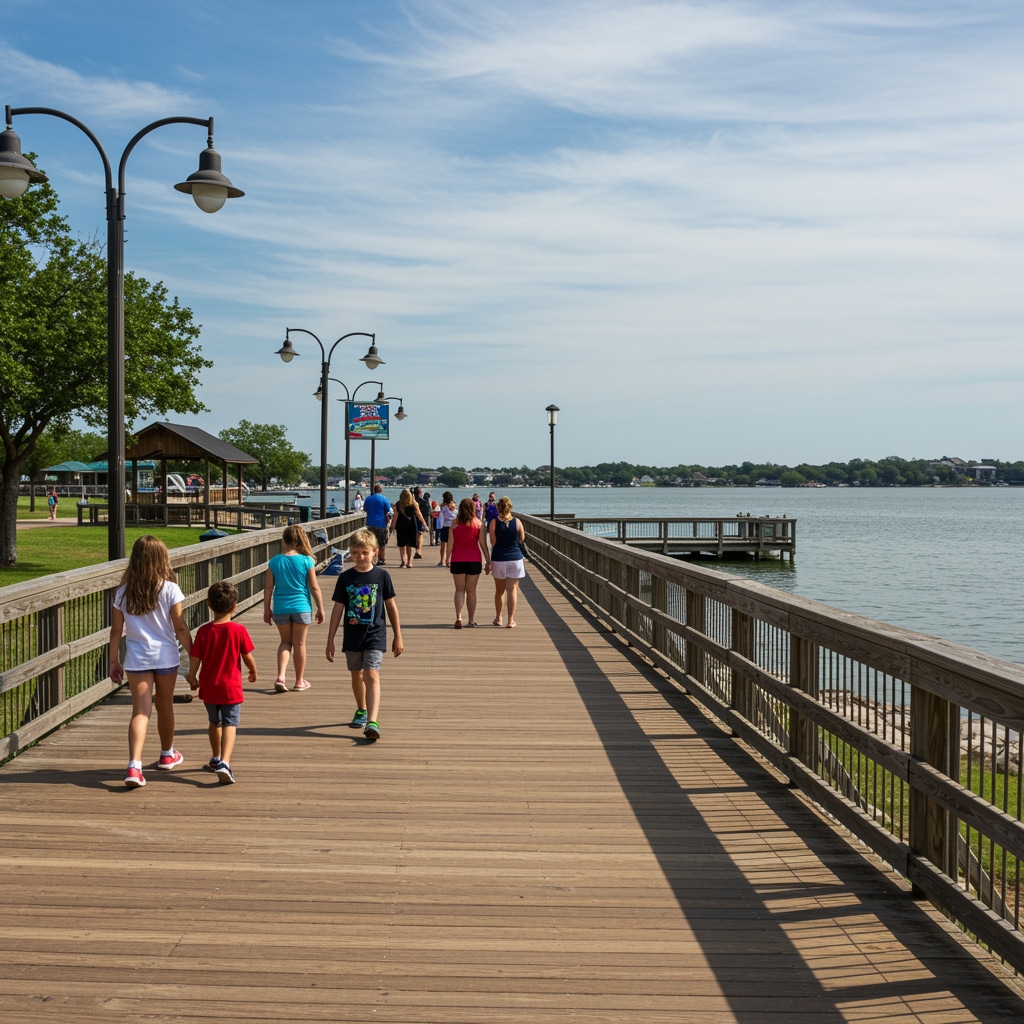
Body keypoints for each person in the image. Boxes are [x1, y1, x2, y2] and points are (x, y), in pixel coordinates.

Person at [108, 535, 193, 788]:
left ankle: (134, 766)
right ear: (161, 559)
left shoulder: (122, 592)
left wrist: (114, 660)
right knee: (165, 707)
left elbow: (115, 631)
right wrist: (195, 653)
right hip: (166, 656)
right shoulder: (169, 589)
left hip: (137, 659)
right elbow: (180, 628)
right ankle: (167, 754)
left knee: (140, 711)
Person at [326, 527, 403, 742]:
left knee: (371, 674)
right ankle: (361, 709)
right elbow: (338, 608)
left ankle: (372, 721)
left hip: (376, 633)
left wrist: (398, 635)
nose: (360, 557)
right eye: (356, 552)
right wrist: (330, 639)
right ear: (350, 552)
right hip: (352, 634)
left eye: (365, 552)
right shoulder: (345, 578)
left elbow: (391, 606)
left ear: (374, 552)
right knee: (356, 674)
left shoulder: (382, 576)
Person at [186, 580, 257, 785]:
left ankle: (216, 757)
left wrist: (192, 677)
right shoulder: (238, 630)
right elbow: (247, 656)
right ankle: (225, 762)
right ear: (234, 607)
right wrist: (253, 670)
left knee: (214, 722)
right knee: (230, 723)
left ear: (209, 605)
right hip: (231, 688)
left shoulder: (203, 631)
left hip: (209, 687)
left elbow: (195, 659)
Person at [263, 524, 325, 692]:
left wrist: (267, 609)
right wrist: (320, 608)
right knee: (299, 643)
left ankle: (281, 677)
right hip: (301, 607)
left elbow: (268, 588)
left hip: (281, 608)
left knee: (285, 642)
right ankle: (299, 681)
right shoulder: (307, 561)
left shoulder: (274, 561)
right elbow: (314, 587)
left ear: (284, 540)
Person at [449, 497, 489, 628]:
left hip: (457, 559)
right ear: (473, 509)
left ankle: (459, 617)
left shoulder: (454, 524)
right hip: (474, 559)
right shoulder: (478, 524)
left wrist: (445, 558)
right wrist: (488, 561)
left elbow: (450, 544)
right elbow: (483, 544)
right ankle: (471, 619)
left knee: (459, 590)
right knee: (471, 591)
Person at [489, 496, 527, 628]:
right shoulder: (517, 522)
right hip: (515, 559)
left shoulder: (494, 522)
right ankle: (510, 621)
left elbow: (493, 542)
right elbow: (522, 538)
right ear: (510, 508)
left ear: (498, 508)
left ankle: (499, 618)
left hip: (499, 558)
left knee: (499, 591)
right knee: (512, 590)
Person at [394, 488, 428, 568]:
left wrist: (392, 527)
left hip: (401, 525)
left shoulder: (398, 504)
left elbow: (395, 516)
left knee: (402, 545)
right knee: (410, 545)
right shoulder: (413, 504)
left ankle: (403, 561)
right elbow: (419, 515)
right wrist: (425, 525)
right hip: (411, 526)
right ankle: (409, 562)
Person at [362, 483, 392, 565]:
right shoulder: (384, 499)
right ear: (381, 490)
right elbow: (387, 510)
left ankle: (371, 559)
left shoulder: (368, 499)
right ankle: (381, 559)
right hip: (381, 523)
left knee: (371, 543)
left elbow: (365, 509)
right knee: (381, 543)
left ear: (374, 490)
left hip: (370, 523)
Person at [436, 491, 456, 567]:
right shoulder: (454, 505)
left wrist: (439, 526)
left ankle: (442, 560)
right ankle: (450, 559)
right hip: (453, 526)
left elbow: (441, 518)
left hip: (445, 526)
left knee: (443, 544)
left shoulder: (443, 507)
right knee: (451, 544)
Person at [413, 486, 431, 559]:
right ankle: (418, 550)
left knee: (414, 535)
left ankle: (415, 550)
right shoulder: (424, 502)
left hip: (413, 519)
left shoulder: (412, 501)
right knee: (420, 534)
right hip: (420, 519)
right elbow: (427, 512)